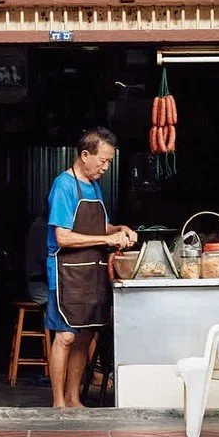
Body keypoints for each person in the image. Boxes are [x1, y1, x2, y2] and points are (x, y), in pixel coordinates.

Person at [45, 128, 136, 408]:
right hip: (65, 274)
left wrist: (120, 229)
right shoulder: (64, 185)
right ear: (85, 155)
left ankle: (74, 398)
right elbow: (62, 236)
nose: (106, 167)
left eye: (109, 161)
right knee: (67, 336)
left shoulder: (93, 185)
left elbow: (100, 227)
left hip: (90, 272)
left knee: (85, 335)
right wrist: (107, 239)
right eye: (103, 161)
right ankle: (58, 402)